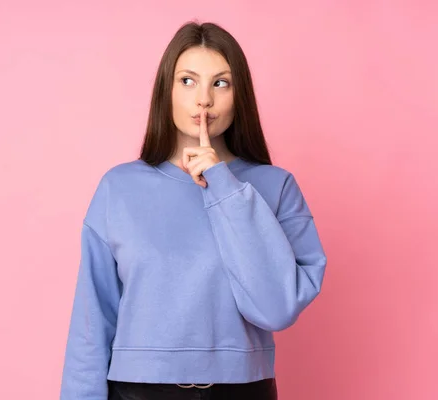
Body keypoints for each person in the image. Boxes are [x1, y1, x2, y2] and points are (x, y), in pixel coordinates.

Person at [59, 21, 327, 400]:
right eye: (188, 81)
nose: (204, 99)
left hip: (243, 391)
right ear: (166, 90)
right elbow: (91, 322)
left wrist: (223, 184)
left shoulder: (276, 187)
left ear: (240, 95)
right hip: (137, 392)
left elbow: (277, 307)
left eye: (221, 83)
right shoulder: (119, 188)